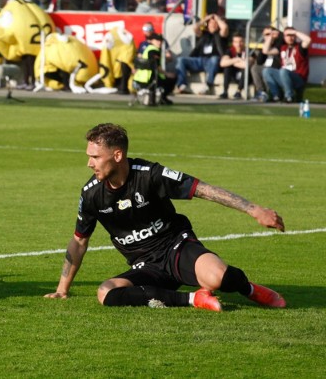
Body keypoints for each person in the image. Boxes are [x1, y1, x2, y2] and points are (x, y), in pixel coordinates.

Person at [44, 123, 286, 312]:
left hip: (176, 248)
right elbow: (79, 241)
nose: (89, 163)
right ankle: (193, 299)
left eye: (95, 157)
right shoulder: (91, 194)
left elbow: (203, 190)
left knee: (216, 278)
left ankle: (250, 289)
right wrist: (61, 290)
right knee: (106, 292)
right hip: (145, 266)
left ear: (117, 155)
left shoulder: (150, 175)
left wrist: (254, 210)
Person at [174, 13, 228, 95]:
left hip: (212, 61)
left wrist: (217, 18)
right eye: (211, 23)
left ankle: (208, 85)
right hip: (199, 60)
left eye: (215, 23)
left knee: (214, 59)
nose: (213, 25)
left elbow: (225, 27)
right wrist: (206, 19)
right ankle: (181, 85)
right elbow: (195, 27)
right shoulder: (204, 34)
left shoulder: (220, 35)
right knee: (180, 60)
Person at [261, 26, 311, 103]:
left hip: (298, 78)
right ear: (284, 37)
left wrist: (294, 32)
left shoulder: (299, 46)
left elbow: (308, 40)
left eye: (292, 36)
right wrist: (271, 36)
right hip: (284, 77)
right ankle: (276, 95)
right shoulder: (283, 47)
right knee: (267, 71)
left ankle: (289, 96)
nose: (290, 38)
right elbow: (265, 51)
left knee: (283, 71)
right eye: (288, 35)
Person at [133, 34, 175, 105]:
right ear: (151, 41)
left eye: (160, 41)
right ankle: (162, 98)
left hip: (140, 78)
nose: (159, 42)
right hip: (148, 79)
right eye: (157, 40)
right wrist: (167, 74)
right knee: (171, 79)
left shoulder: (148, 49)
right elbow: (155, 66)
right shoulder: (154, 51)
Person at [251, 26, 282, 102]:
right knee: (255, 68)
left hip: (276, 69)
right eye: (266, 34)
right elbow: (259, 61)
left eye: (270, 34)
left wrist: (273, 37)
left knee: (266, 70)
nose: (268, 36)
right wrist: (267, 42)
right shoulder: (266, 44)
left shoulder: (280, 42)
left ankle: (271, 93)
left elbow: (268, 51)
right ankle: (261, 92)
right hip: (267, 67)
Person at [218, 32, 252, 100]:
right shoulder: (230, 51)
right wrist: (237, 59)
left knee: (245, 69)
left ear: (244, 42)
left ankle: (238, 91)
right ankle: (225, 91)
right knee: (227, 68)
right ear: (233, 43)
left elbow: (247, 64)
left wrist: (231, 61)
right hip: (233, 75)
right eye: (236, 42)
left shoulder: (249, 51)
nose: (238, 44)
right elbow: (222, 63)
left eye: (240, 42)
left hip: (245, 77)